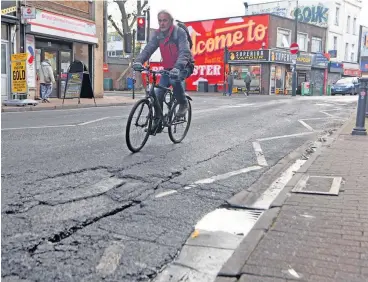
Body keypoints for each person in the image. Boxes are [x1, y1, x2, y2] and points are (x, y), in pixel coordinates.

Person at [132, 10, 194, 132]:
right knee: (157, 93)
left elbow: (184, 52)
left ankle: (183, 103)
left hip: (184, 66)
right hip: (168, 68)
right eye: (160, 20)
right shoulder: (158, 35)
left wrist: (177, 67)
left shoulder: (179, 33)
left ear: (171, 21)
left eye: (165, 20)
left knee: (175, 79)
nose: (162, 23)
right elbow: (148, 49)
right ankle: (158, 121)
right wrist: (138, 61)